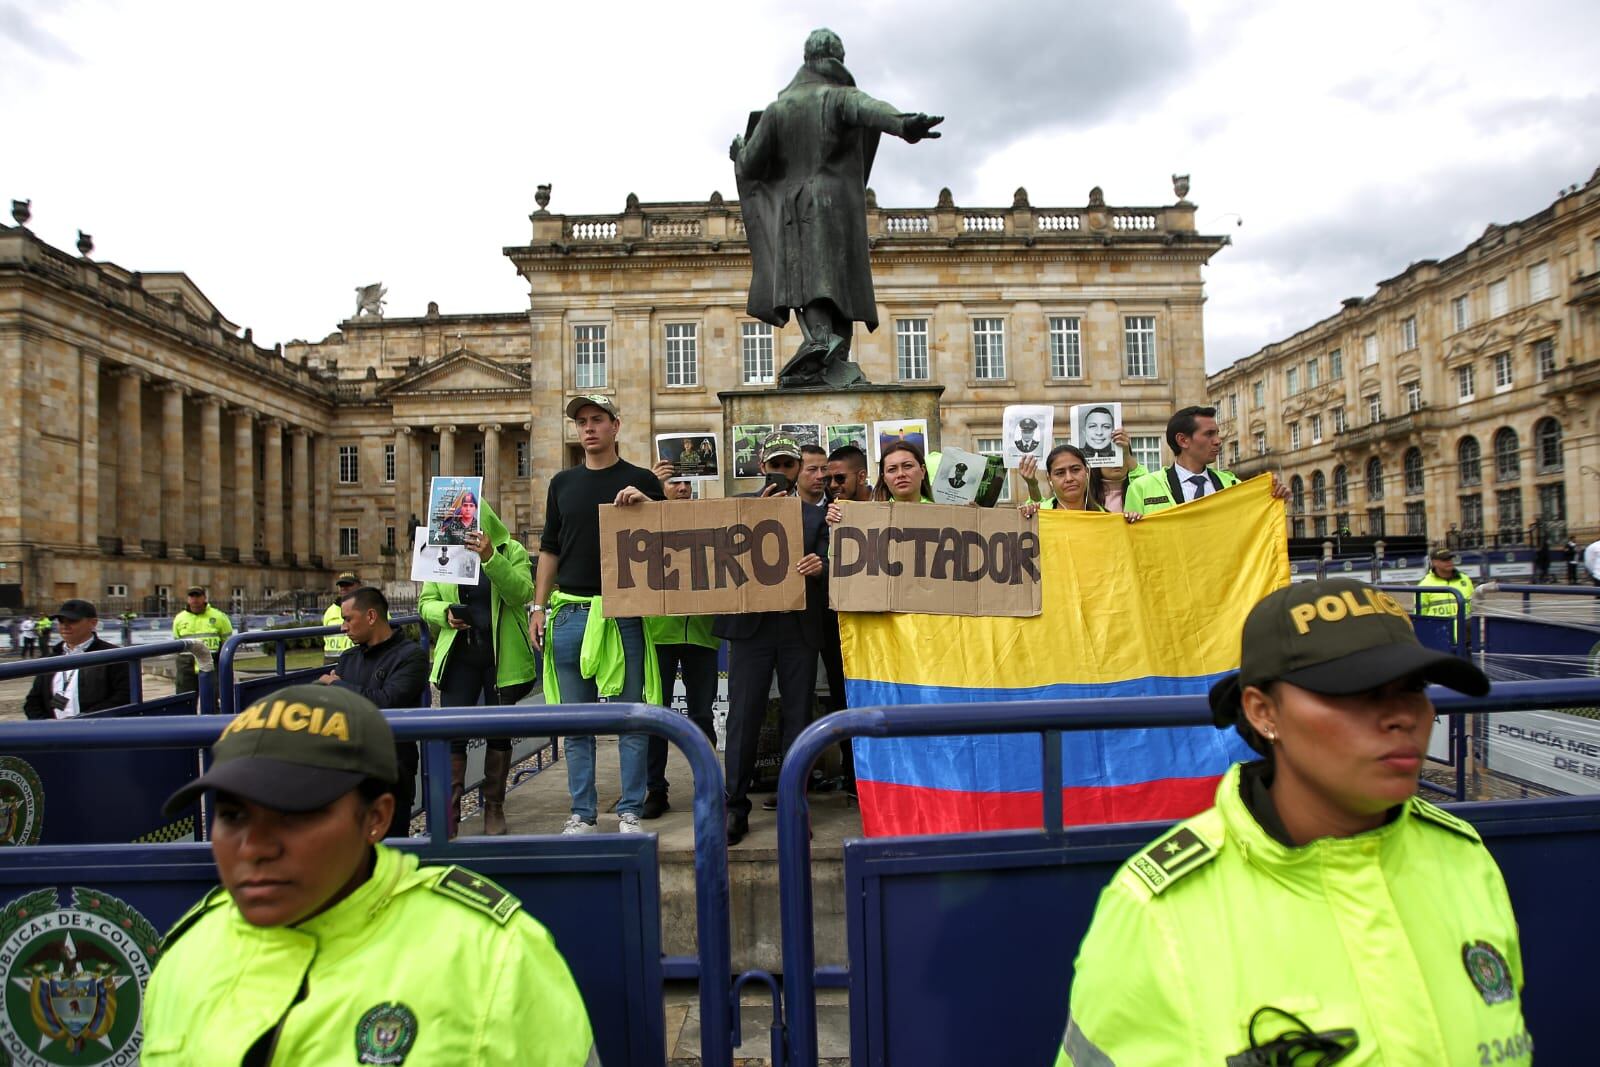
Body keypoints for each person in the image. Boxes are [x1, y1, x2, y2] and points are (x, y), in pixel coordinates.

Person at [1055, 578, 1523, 1065]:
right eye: (1357, 692)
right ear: (1263, 712)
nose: (1402, 717)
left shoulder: (1464, 859)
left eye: (1413, 689)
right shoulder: (1156, 915)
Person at [145, 684, 596, 1066]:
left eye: (296, 815)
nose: (256, 848)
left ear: (376, 818)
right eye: (233, 816)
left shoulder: (490, 957)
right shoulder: (189, 953)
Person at [731, 28, 942, 387]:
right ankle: (826, 348)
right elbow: (872, 111)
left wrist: (739, 148)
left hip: (794, 206)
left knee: (805, 281)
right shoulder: (839, 97)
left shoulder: (779, 110)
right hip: (836, 205)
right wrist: (905, 124)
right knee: (836, 283)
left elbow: (749, 164)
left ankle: (824, 346)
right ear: (836, 60)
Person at [535, 394, 665, 835]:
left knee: (631, 716)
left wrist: (650, 502)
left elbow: (676, 538)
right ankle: (582, 812)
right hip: (570, 612)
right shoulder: (561, 483)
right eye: (581, 422)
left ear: (616, 425)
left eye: (597, 420)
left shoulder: (641, 479)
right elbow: (549, 548)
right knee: (577, 722)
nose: (588, 428)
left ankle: (630, 808)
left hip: (623, 612)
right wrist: (538, 605)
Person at [717, 431, 829, 844]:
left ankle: (794, 804)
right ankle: (734, 806)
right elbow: (713, 556)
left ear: (798, 470)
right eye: (775, 466)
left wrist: (822, 567)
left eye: (789, 466)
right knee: (743, 717)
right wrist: (749, 518)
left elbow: (834, 563)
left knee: (798, 717)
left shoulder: (818, 517)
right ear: (762, 466)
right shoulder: (736, 511)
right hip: (752, 629)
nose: (782, 473)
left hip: (798, 628)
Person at [419, 498, 536, 837]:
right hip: (460, 656)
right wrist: (445, 614)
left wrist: (490, 558)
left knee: (498, 731)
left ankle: (494, 807)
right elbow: (426, 602)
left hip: (500, 657)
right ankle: (450, 810)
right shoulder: (442, 549)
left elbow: (521, 593)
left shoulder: (510, 549)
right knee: (453, 733)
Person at [642, 461, 721, 821]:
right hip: (658, 632)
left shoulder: (709, 519)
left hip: (702, 633)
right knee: (655, 715)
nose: (684, 488)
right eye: (675, 482)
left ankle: (707, 786)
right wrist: (651, 488)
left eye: (689, 482)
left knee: (703, 715)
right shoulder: (648, 516)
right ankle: (655, 789)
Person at [318, 586, 429, 840]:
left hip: (390, 773)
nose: (343, 627)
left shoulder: (411, 657)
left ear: (371, 617)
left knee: (388, 847)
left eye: (348, 619)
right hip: (348, 767)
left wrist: (336, 685)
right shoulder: (348, 658)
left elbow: (386, 703)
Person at [23, 599, 130, 719]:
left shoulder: (114, 656)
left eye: (72, 621)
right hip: (53, 734)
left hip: (94, 732)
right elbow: (32, 702)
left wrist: (83, 720)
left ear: (93, 623)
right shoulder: (50, 660)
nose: (65, 626)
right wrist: (46, 725)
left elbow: (124, 696)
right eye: (61, 621)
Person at [171, 585, 233, 694]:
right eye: (192, 596)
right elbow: (177, 641)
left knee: (213, 702)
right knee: (185, 702)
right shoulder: (179, 618)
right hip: (186, 666)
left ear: (204, 597)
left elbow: (227, 641)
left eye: (198, 596)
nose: (195, 599)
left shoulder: (219, 616)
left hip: (212, 664)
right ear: (188, 599)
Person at [1418, 547, 1475, 643]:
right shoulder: (1424, 584)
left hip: (1466, 637)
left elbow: (1474, 606)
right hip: (1439, 637)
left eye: (1450, 558)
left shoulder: (1465, 579)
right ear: (1434, 562)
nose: (1449, 562)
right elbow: (1420, 615)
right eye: (1444, 560)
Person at [322, 571, 359, 661]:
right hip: (331, 661)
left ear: (358, 586)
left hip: (357, 659)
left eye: (348, 585)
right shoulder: (330, 611)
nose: (343, 588)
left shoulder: (370, 606)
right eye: (341, 585)